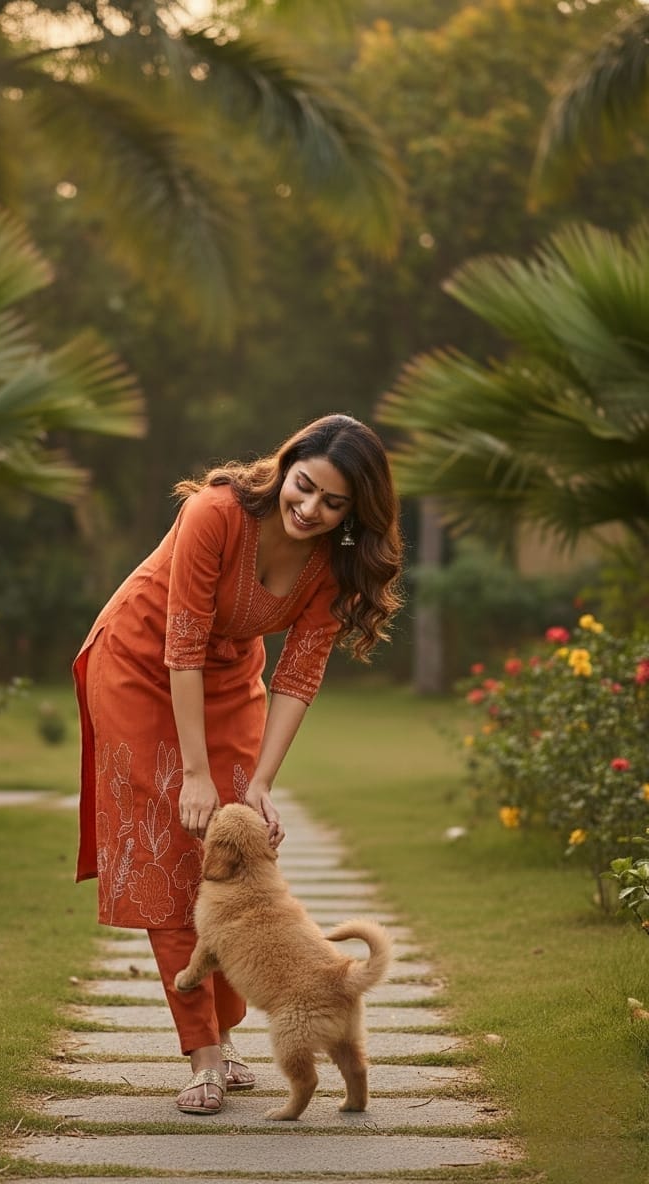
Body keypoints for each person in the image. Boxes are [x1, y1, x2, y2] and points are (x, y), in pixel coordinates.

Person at [72, 413, 403, 1115]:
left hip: (225, 680)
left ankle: (227, 1031)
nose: (310, 509)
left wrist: (257, 785)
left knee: (238, 854)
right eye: (304, 486)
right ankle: (204, 1055)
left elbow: (298, 677)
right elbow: (181, 643)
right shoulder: (214, 513)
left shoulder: (333, 565)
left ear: (355, 513)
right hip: (138, 662)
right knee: (169, 856)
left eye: (333, 503)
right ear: (286, 466)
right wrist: (193, 773)